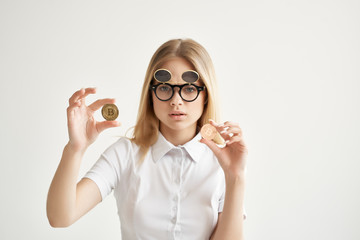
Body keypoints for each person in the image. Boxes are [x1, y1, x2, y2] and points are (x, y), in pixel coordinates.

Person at [47, 38, 248, 240]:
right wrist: (75, 148)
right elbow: (60, 217)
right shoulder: (124, 154)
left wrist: (235, 177)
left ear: (206, 95)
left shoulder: (222, 163)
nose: (176, 101)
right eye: (164, 88)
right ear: (151, 94)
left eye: (189, 89)